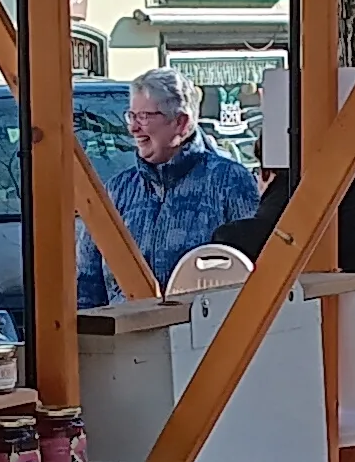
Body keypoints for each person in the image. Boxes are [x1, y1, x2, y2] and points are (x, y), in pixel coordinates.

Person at [73, 67, 263, 304]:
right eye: (131, 116)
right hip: (127, 338)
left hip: (205, 337)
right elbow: (87, 287)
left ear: (181, 123)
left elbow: (254, 275)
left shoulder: (230, 182)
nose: (133, 128)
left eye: (144, 117)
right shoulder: (118, 190)